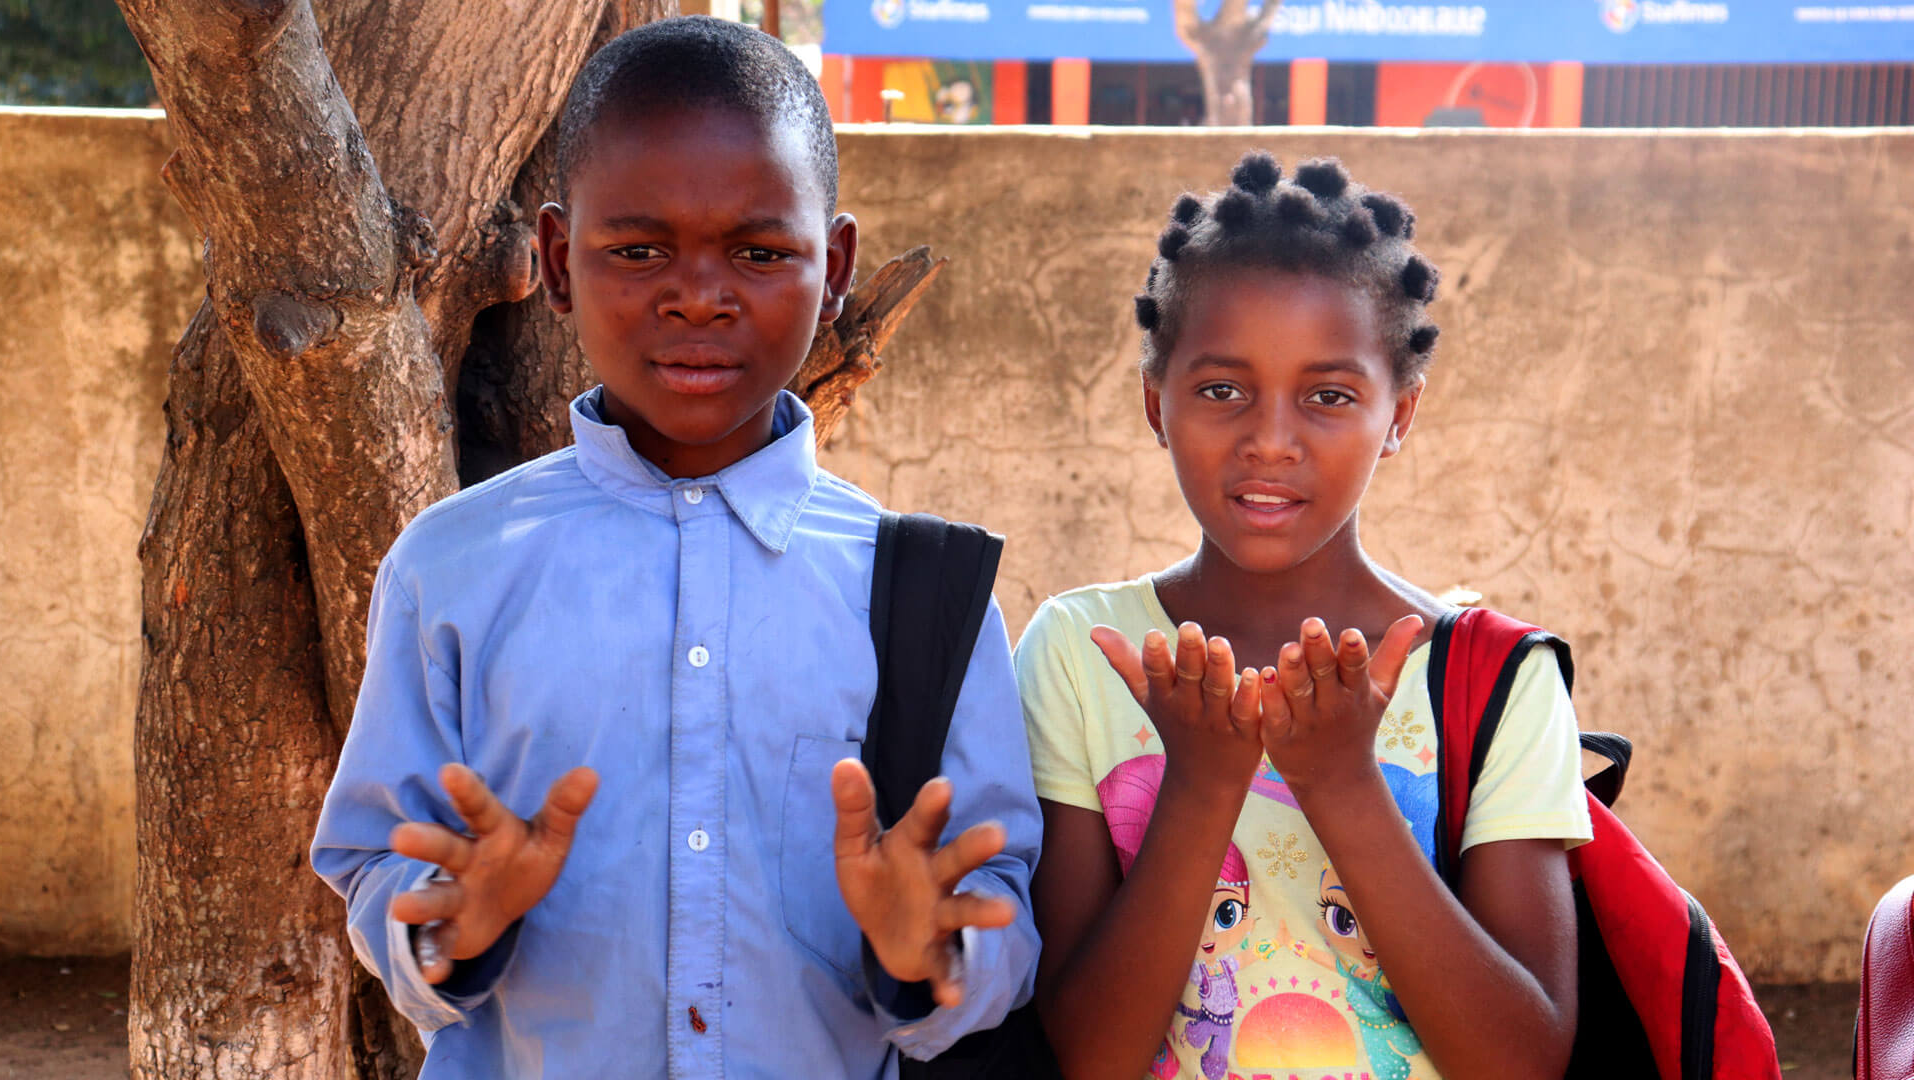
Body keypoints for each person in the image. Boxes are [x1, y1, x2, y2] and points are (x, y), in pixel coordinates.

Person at [309, 18, 1040, 1078]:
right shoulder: (452, 569)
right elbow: (377, 863)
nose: (698, 294)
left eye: (758, 250)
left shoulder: (923, 594)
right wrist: (446, 926)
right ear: (558, 261)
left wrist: (931, 951)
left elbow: (1000, 902)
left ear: (832, 268)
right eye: (639, 249)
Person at [1016, 152, 1593, 1080]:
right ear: (1154, 404)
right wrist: (1202, 784)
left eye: (1329, 396)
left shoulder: (1493, 679)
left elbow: (1523, 1060)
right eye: (1219, 390)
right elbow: (1088, 1053)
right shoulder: (1086, 653)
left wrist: (1341, 780)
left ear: (1399, 415)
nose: (1270, 439)